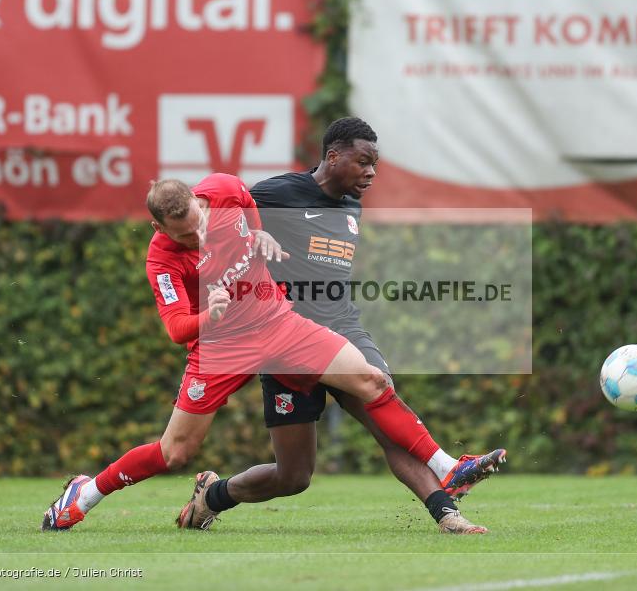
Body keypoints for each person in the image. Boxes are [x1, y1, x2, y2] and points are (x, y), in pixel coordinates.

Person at [41, 172, 497, 534]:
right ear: (159, 228)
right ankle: (84, 495)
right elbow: (177, 329)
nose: (195, 239)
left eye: (198, 226)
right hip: (220, 347)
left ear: (202, 203)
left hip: (277, 324)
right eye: (183, 237)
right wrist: (208, 316)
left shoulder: (224, 189)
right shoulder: (161, 258)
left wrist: (259, 235)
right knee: (175, 452)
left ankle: (447, 467)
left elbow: (248, 204)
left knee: (372, 381)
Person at [183, 117, 506, 535]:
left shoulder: (352, 205)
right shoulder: (278, 194)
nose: (371, 172)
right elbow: (205, 217)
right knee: (293, 477)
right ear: (332, 156)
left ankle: (447, 512)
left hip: (344, 331)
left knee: (381, 401)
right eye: (363, 162)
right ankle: (213, 495)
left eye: (375, 164)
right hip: (286, 343)